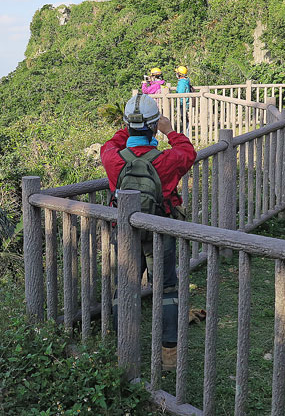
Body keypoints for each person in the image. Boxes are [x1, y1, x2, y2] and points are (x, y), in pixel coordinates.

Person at [101, 93, 197, 370]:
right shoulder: (167, 160)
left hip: (126, 231)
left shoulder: (112, 158)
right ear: (154, 126)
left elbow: (112, 143)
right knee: (166, 287)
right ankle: (169, 354)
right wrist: (168, 130)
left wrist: (131, 126)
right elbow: (188, 152)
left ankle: (124, 350)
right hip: (159, 229)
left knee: (125, 287)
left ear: (127, 126)